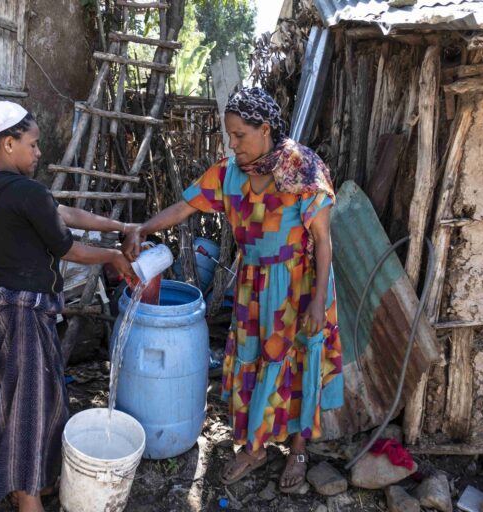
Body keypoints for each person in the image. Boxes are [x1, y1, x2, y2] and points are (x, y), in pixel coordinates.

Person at [123, 87, 343, 492]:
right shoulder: (229, 174)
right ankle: (255, 446)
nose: (233, 143)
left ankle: (297, 448)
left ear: (265, 130)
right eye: (229, 135)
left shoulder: (303, 170)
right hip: (252, 285)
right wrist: (141, 228)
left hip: (298, 285)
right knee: (251, 358)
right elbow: (185, 206)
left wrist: (316, 302)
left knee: (297, 361)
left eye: (240, 135)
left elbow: (324, 240)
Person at [0, 94, 136, 512]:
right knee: (30, 405)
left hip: (5, 303)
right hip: (23, 311)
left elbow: (60, 211)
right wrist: (113, 255)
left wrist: (120, 225)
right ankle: (28, 497)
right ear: (8, 144)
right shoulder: (23, 191)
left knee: (25, 397)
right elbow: (66, 247)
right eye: (32, 144)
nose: (39, 151)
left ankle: (29, 481)